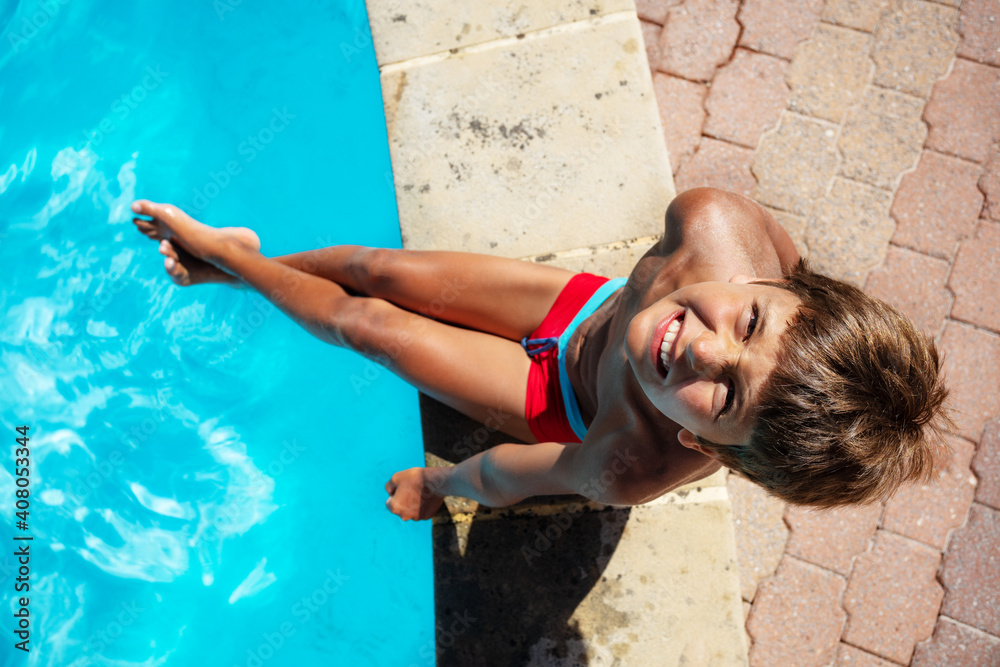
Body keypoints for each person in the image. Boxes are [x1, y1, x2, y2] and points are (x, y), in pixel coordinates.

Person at [130, 187, 949, 521]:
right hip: (582, 308)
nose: (697, 345)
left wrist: (438, 481)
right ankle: (240, 266)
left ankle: (229, 261)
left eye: (726, 397)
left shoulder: (629, 461)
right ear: (783, 292)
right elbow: (789, 259)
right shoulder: (712, 223)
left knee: (366, 326)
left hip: (556, 397)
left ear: (708, 449)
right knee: (376, 270)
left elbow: (498, 473)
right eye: (751, 322)